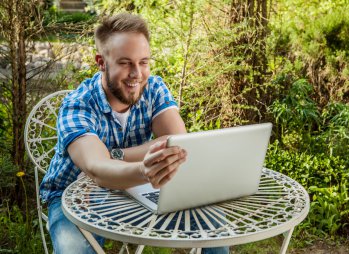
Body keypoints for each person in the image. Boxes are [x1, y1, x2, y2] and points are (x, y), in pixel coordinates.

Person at [40, 13, 228, 254]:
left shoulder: (153, 88)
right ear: (101, 62)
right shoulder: (78, 105)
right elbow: (98, 169)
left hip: (137, 187)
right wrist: (144, 169)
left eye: (143, 62)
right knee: (73, 249)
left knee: (213, 224)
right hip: (75, 195)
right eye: (125, 63)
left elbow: (178, 145)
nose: (136, 74)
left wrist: (115, 155)